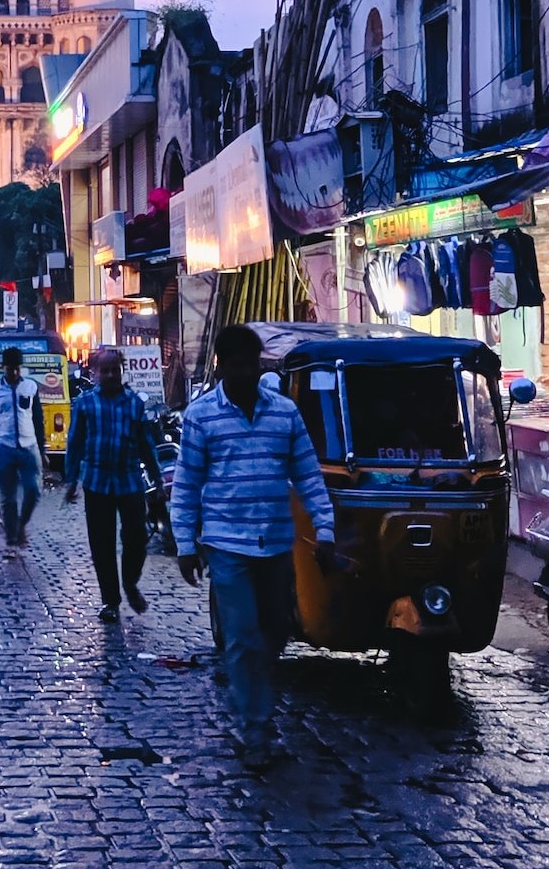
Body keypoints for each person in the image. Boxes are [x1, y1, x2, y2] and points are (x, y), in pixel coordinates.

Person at [172, 323, 337, 768]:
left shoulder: (284, 413)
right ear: (222, 366)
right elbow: (187, 485)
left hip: (277, 543)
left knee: (275, 631)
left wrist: (325, 530)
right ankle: (255, 729)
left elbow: (307, 476)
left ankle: (255, 701)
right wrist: (185, 544)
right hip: (227, 545)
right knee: (243, 638)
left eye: (252, 364)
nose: (245, 372)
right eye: (237, 365)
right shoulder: (202, 416)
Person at [64, 347, 162, 623]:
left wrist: (156, 479)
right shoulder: (84, 404)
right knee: (102, 544)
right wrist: (71, 480)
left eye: (114, 370)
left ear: (121, 371)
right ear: (94, 373)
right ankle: (111, 601)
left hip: (129, 481)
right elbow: (75, 443)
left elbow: (146, 445)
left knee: (137, 539)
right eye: (104, 370)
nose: (109, 375)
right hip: (96, 483)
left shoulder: (134, 403)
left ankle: (130, 582)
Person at [0, 346, 47, 553]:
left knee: (33, 490)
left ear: (21, 368)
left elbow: (37, 418)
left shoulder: (31, 388)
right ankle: (11, 538)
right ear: (4, 368)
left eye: (17, 368)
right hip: (2, 446)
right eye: (10, 369)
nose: (14, 373)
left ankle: (21, 524)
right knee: (7, 498)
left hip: (29, 447)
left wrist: (43, 449)